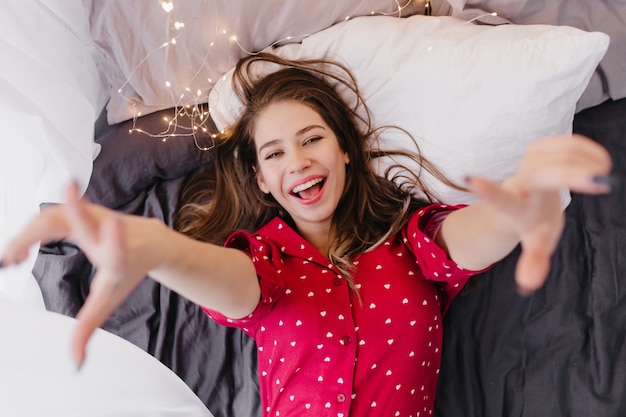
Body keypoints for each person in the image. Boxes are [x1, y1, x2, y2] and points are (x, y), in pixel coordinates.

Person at [1, 53, 613, 416]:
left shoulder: (409, 240)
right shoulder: (261, 262)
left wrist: (517, 204)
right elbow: (226, 286)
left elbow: (470, 239)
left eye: (312, 138)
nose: (297, 160)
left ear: (346, 152)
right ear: (264, 181)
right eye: (274, 152)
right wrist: (156, 248)